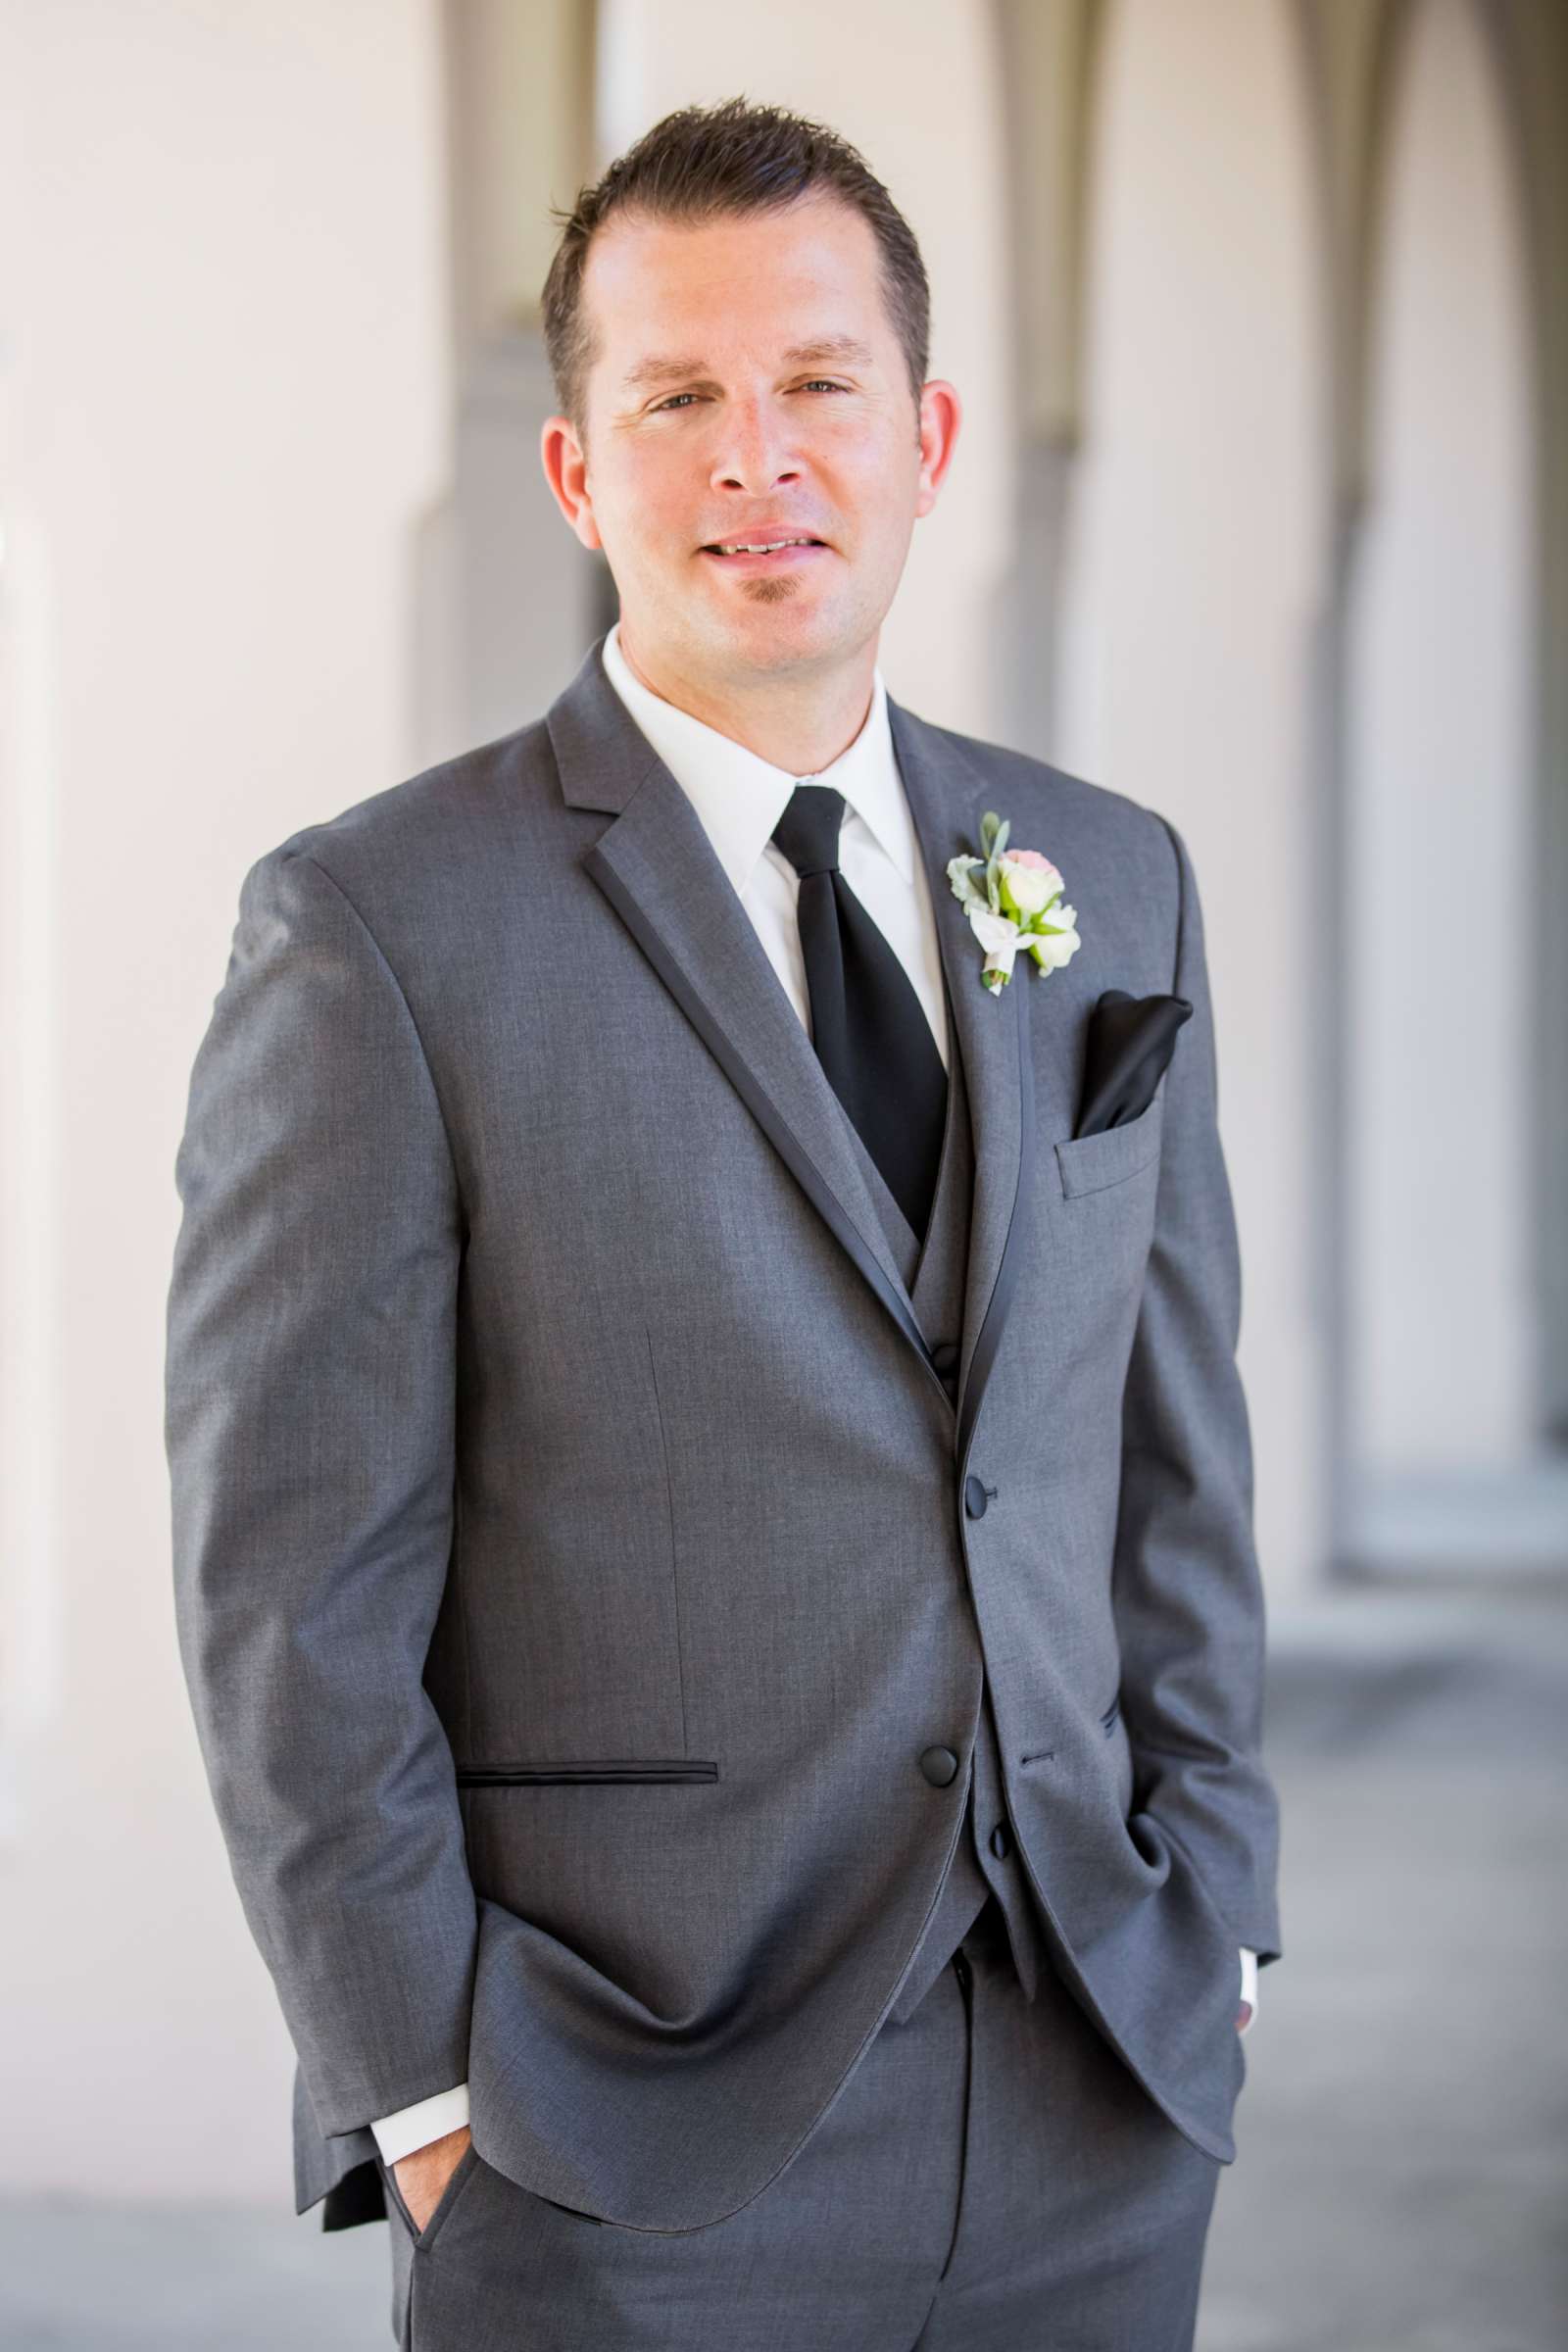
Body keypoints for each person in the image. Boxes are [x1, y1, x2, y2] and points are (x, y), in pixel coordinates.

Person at [166, 94, 1280, 2352]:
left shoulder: (1107, 874)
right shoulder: (377, 925)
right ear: (581, 475)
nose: (752, 457)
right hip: (615, 2125)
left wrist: (1217, 1911)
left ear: (925, 433)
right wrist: (424, 2086)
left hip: (1094, 2078)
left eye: (813, 385)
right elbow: (294, 1574)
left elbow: (1168, 1438)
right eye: (673, 397)